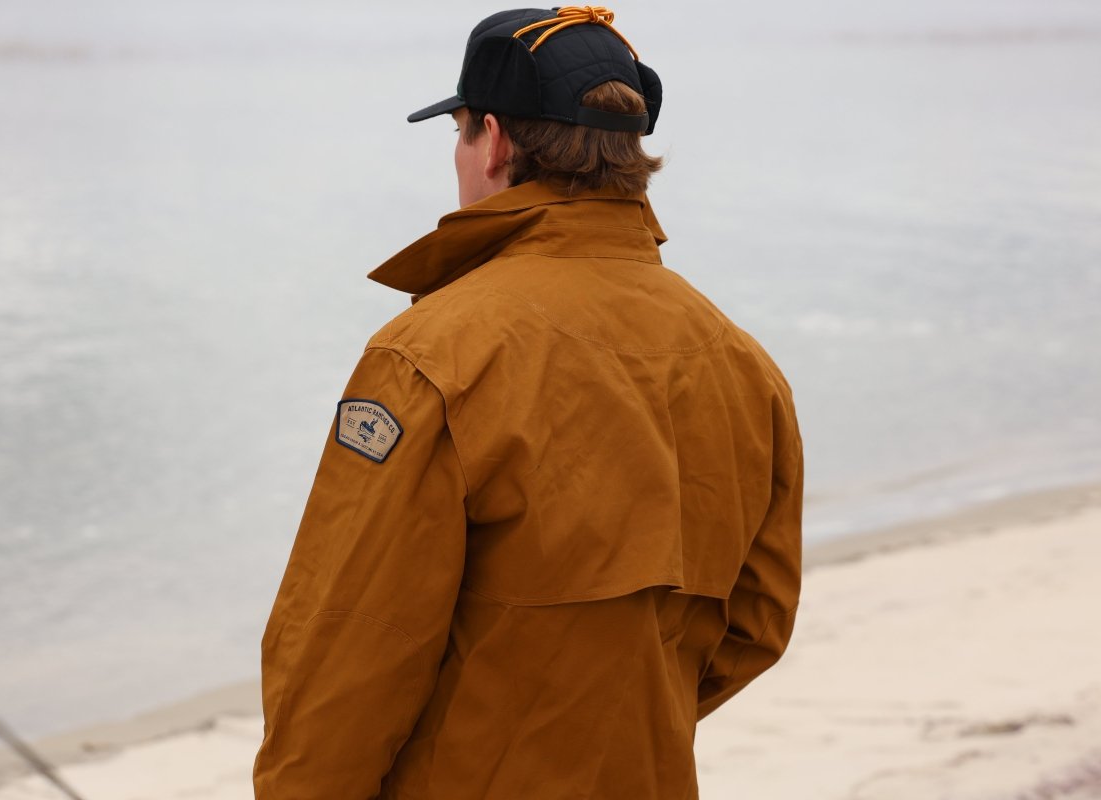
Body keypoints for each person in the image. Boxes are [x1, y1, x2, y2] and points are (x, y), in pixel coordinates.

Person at [253, 7, 803, 799]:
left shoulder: (432, 355)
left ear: (495, 142)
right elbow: (755, 625)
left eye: (459, 133)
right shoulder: (742, 362)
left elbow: (347, 650)